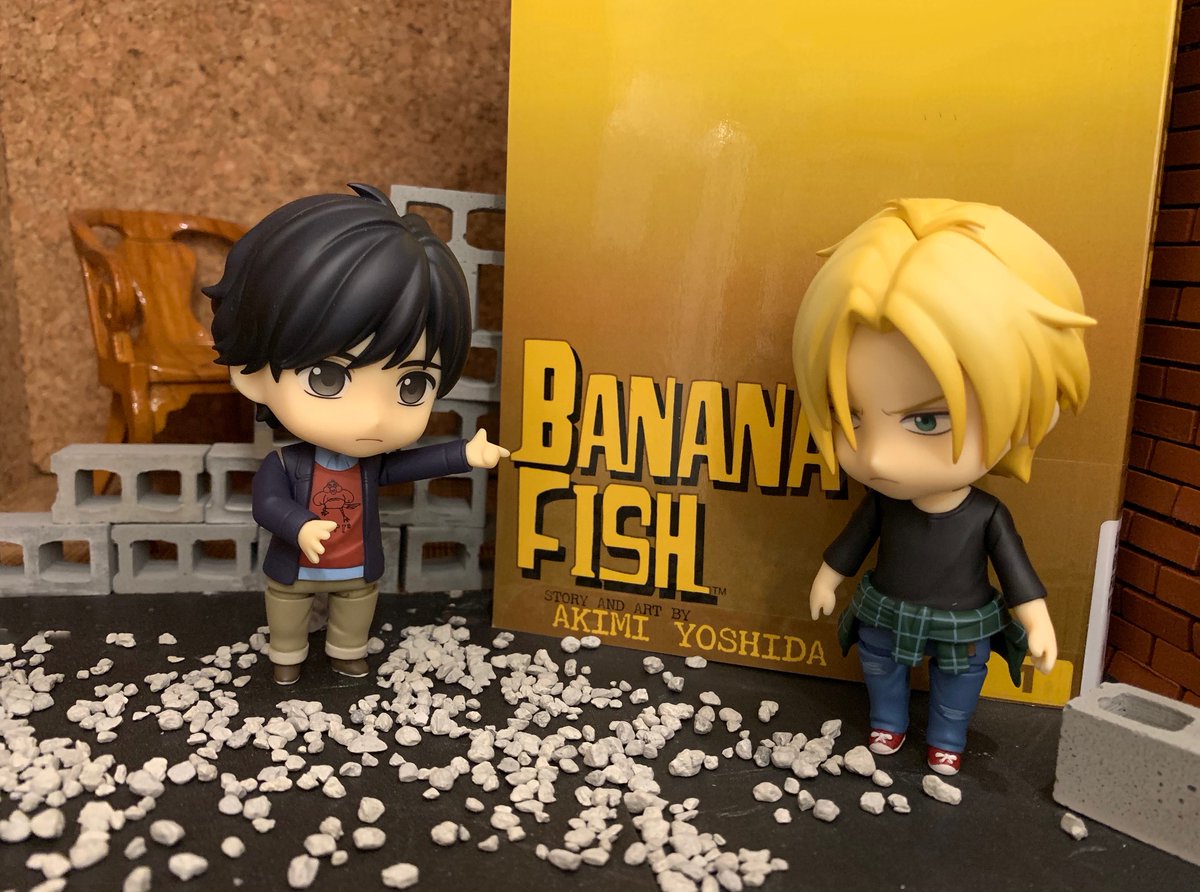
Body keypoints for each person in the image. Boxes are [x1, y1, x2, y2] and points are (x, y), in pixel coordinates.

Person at [792, 198, 1094, 774]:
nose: (876, 457)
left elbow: (1016, 573)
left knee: (960, 680)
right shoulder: (884, 503)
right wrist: (828, 578)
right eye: (850, 416)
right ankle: (888, 722)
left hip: (963, 623)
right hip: (886, 611)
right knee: (880, 668)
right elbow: (852, 543)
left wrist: (1037, 621)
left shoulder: (986, 514)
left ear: (1035, 412)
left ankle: (948, 737)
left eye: (928, 421)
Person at [206, 183, 508, 685]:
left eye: (412, 385)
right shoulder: (284, 464)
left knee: (356, 607)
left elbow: (410, 465)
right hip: (296, 567)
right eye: (328, 378)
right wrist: (299, 525)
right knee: (286, 609)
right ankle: (287, 654)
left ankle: (346, 649)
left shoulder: (370, 466)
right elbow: (267, 503)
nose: (373, 417)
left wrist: (463, 453)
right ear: (250, 373)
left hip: (356, 567)